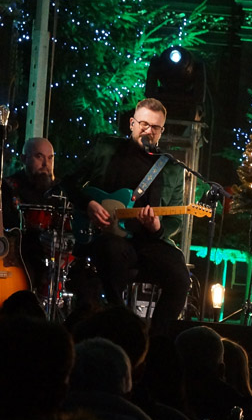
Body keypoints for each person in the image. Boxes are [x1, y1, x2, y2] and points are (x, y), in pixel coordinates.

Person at [66, 98, 190, 335]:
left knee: (180, 277)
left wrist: (157, 228)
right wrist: (89, 204)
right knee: (110, 253)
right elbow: (69, 182)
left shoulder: (171, 167)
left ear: (162, 131)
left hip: (149, 242)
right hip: (109, 237)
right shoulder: (106, 149)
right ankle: (122, 327)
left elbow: (176, 220)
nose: (149, 131)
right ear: (132, 123)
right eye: (144, 124)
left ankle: (156, 340)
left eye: (155, 127)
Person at [1, 136, 65, 299]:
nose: (46, 164)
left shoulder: (60, 191)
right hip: (21, 255)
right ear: (24, 159)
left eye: (50, 158)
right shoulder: (8, 187)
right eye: (39, 157)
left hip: (55, 255)